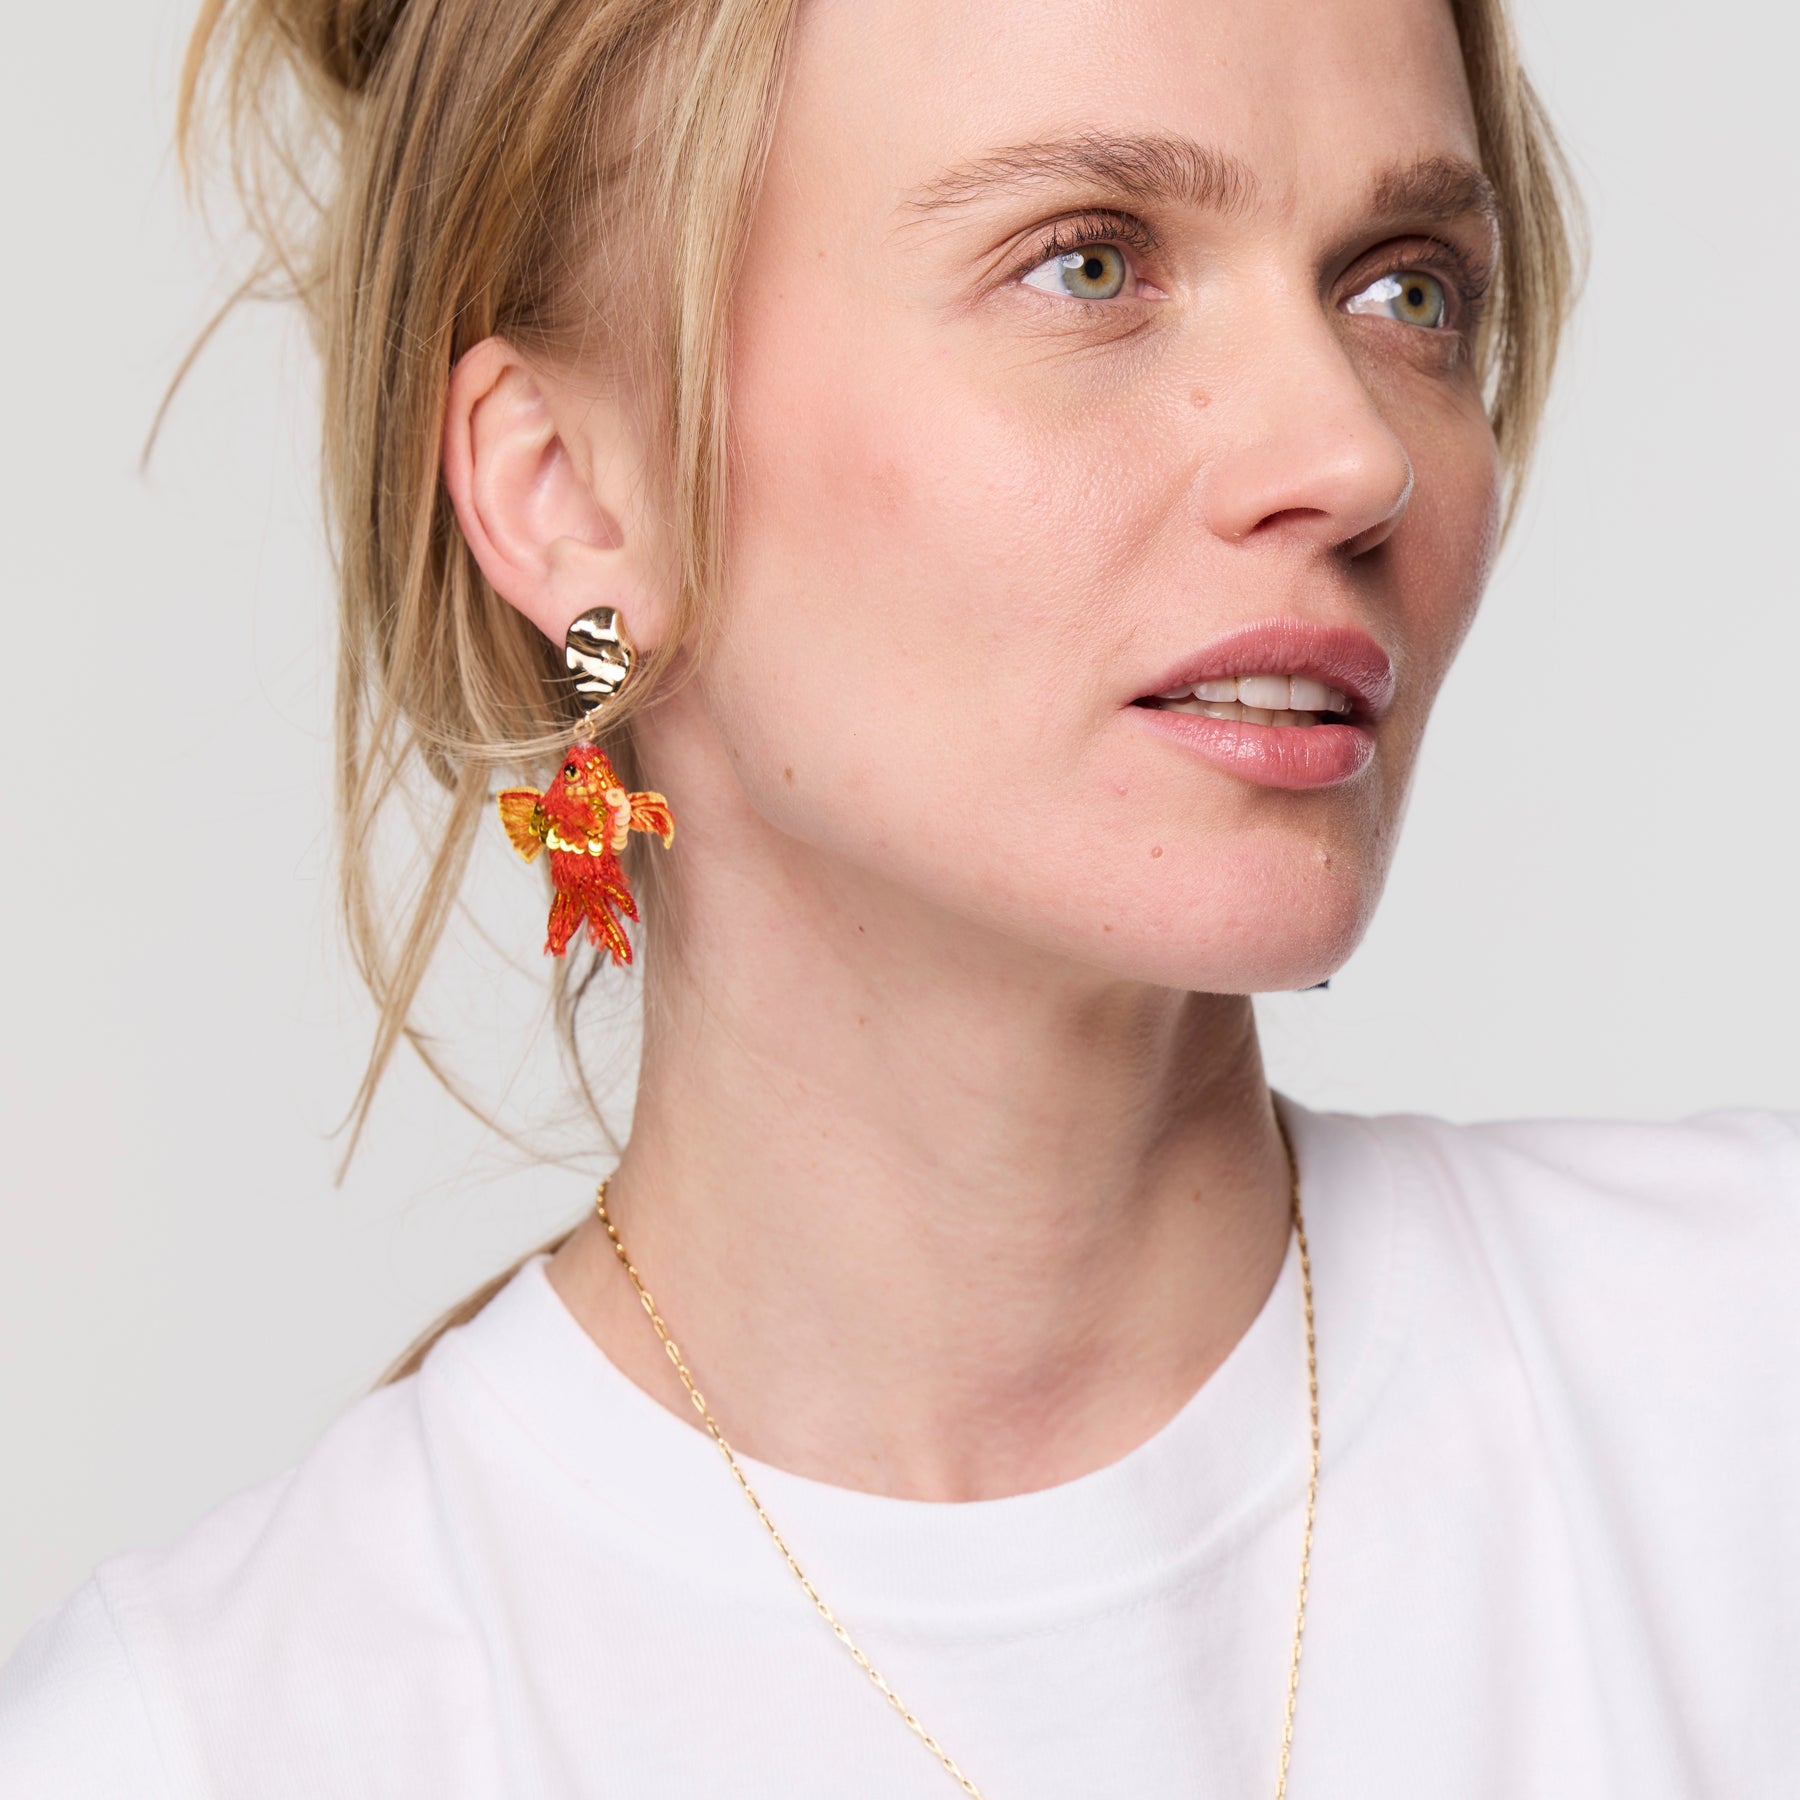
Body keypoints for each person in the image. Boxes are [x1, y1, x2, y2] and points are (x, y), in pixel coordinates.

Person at [2, 0, 1794, 1793]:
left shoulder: (1744, 1398)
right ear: (565, 496)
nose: (1353, 455)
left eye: (1406, 289)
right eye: (1089, 263)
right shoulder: (212, 1743)